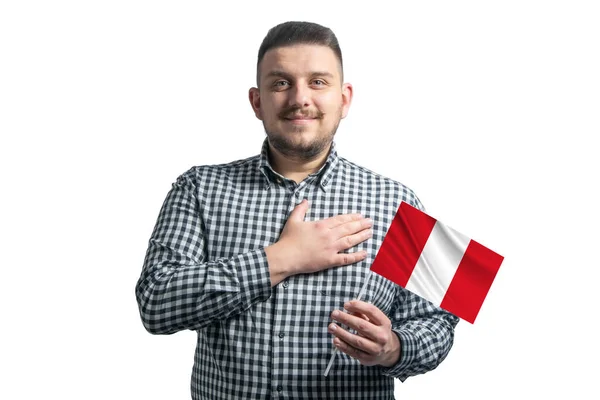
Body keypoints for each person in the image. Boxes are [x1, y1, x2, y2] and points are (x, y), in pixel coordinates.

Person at [135, 20, 459, 400]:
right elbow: (155, 302)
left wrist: (394, 348)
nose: (299, 98)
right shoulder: (199, 187)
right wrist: (280, 259)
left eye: (318, 82)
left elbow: (441, 321)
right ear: (257, 101)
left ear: (345, 98)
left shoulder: (398, 200)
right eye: (281, 83)